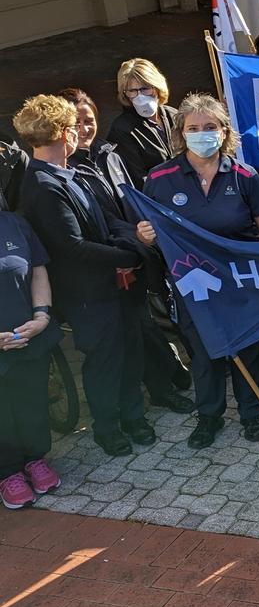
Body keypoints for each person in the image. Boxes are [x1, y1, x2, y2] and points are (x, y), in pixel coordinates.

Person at [137, 94, 259, 448]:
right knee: (204, 352)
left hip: (241, 282)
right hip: (193, 284)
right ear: (182, 133)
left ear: (224, 131)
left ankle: (252, 413)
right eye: (194, 128)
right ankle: (209, 416)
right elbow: (151, 232)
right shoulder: (159, 178)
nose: (202, 134)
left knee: (248, 350)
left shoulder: (246, 176)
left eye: (210, 127)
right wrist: (145, 236)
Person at [17, 95, 150, 457]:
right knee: (104, 362)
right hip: (88, 295)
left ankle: (134, 417)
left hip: (110, 284)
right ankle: (109, 429)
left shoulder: (64, 174)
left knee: (128, 352)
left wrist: (130, 247)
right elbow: (73, 248)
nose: (78, 133)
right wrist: (128, 255)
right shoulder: (44, 186)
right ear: (62, 133)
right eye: (73, 127)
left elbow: (104, 222)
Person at [62, 88, 194, 415]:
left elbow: (131, 199)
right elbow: (98, 220)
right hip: (110, 261)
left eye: (89, 120)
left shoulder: (110, 153)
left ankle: (164, 385)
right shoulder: (68, 169)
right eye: (76, 122)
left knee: (146, 323)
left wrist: (145, 235)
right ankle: (153, 391)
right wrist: (130, 240)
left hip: (138, 250)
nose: (84, 128)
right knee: (136, 331)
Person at [0, 207, 60, 510]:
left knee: (31, 402)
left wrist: (42, 316)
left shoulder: (15, 222)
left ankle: (34, 459)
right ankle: (7, 473)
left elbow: (37, 269)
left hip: (28, 337)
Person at [107, 58, 179, 190]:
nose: (140, 96)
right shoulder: (122, 130)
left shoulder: (174, 116)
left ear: (157, 88)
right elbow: (137, 179)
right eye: (132, 91)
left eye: (145, 89)